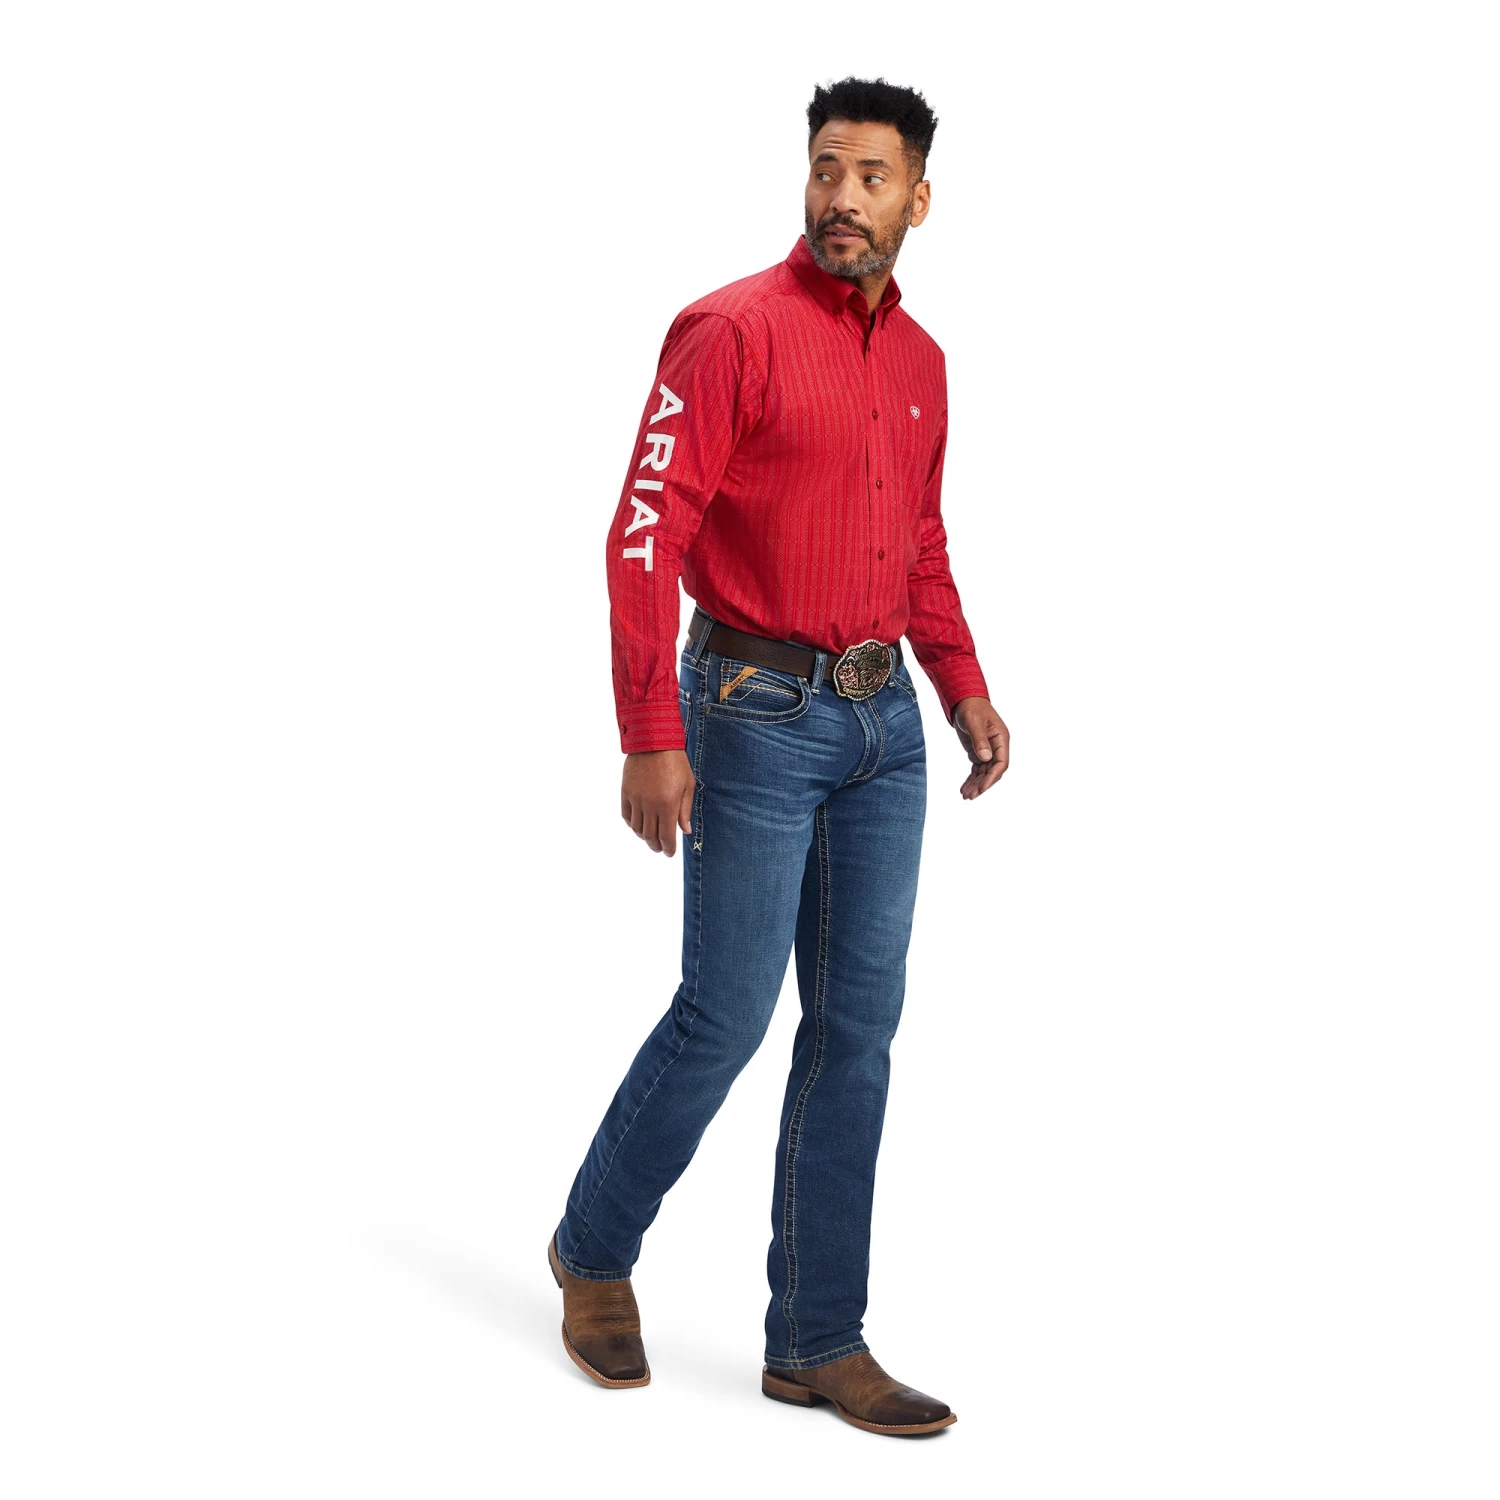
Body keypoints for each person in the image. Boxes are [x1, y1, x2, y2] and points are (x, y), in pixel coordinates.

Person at [548, 75, 1009, 1438]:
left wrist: (963, 685)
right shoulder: (729, 332)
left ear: (919, 200)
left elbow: (919, 542)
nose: (842, 198)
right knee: (727, 1014)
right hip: (751, 709)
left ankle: (816, 1338)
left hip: (885, 730)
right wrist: (651, 731)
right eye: (825, 169)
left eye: (872, 177)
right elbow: (644, 533)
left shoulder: (922, 365)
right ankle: (593, 1248)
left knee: (858, 1031)